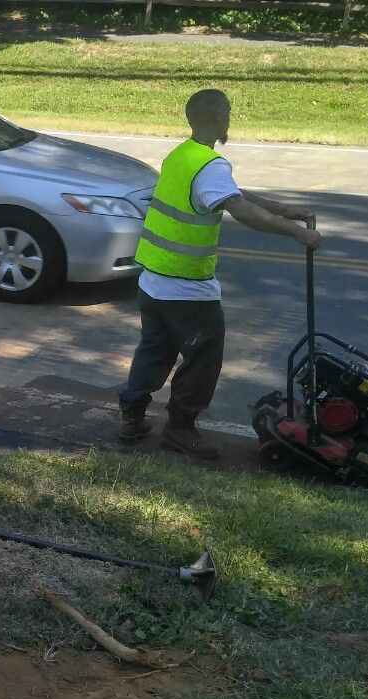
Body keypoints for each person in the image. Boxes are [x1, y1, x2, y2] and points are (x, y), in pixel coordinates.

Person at [118, 89, 321, 460]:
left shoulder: (182, 156)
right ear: (217, 118)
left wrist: (285, 210)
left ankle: (131, 417)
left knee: (154, 349)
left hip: (153, 281)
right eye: (227, 112)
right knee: (203, 359)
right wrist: (297, 232)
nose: (230, 118)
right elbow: (239, 208)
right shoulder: (210, 165)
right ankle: (180, 430)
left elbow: (233, 195)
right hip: (187, 287)